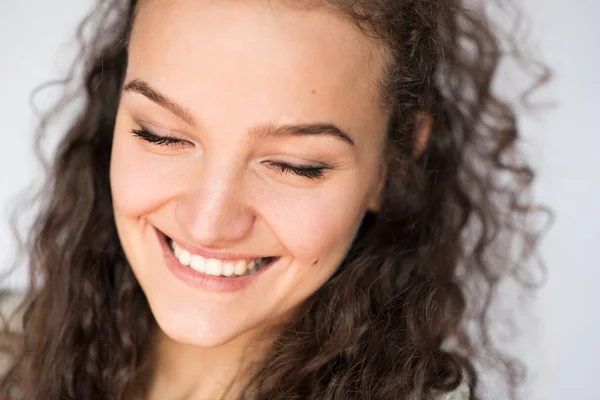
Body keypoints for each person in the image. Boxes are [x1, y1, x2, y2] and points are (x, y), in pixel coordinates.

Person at [0, 0, 546, 399]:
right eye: (161, 134)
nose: (209, 222)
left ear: (391, 164)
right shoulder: (11, 352)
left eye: (294, 165)